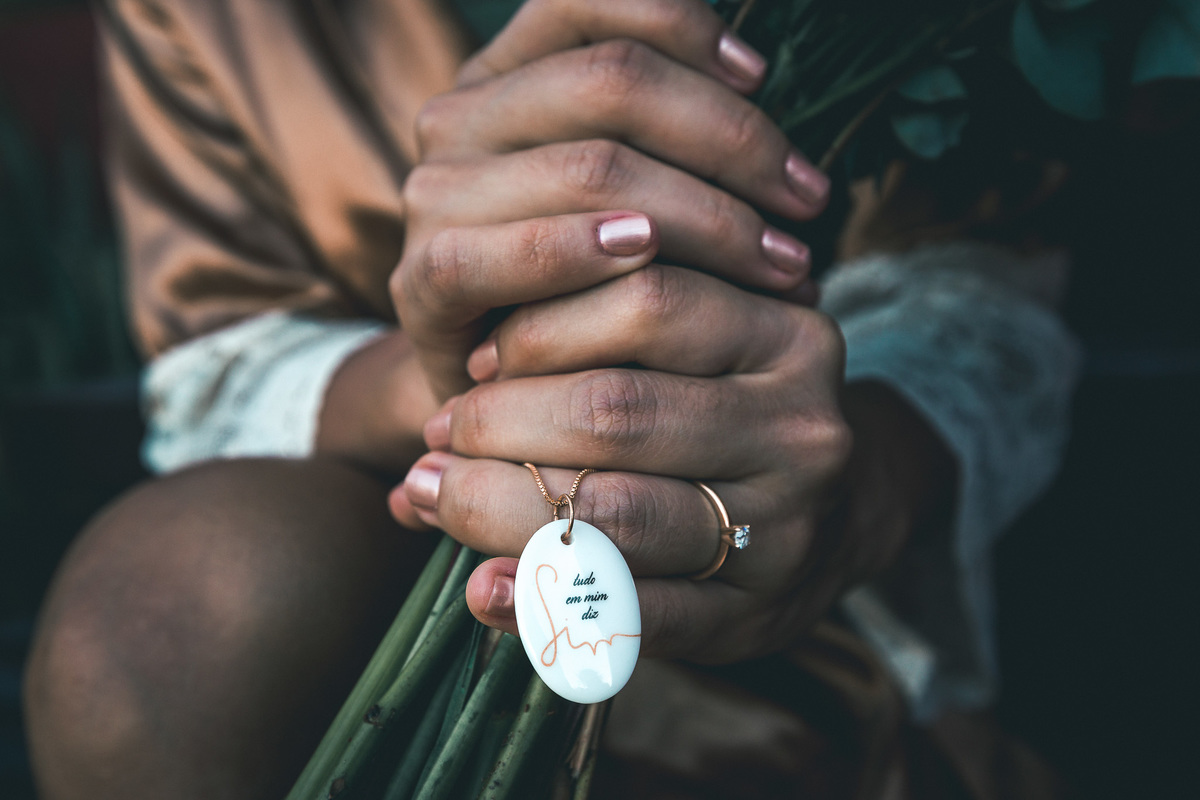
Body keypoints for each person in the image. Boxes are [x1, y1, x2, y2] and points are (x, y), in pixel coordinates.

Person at [22, 0, 1078, 797]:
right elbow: (227, 352)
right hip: (375, 558)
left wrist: (844, 491)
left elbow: (979, 294)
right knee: (161, 619)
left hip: (796, 597)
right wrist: (475, 369)